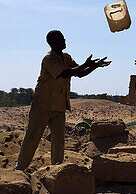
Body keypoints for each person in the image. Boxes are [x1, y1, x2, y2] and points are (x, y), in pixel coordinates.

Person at [16, 30, 110, 170]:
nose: (65, 40)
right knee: (32, 137)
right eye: (61, 39)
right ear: (53, 42)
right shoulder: (48, 59)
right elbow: (65, 73)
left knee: (59, 140)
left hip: (59, 106)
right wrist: (86, 64)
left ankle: (56, 169)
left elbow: (79, 73)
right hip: (42, 105)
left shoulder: (66, 58)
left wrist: (94, 66)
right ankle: (20, 168)